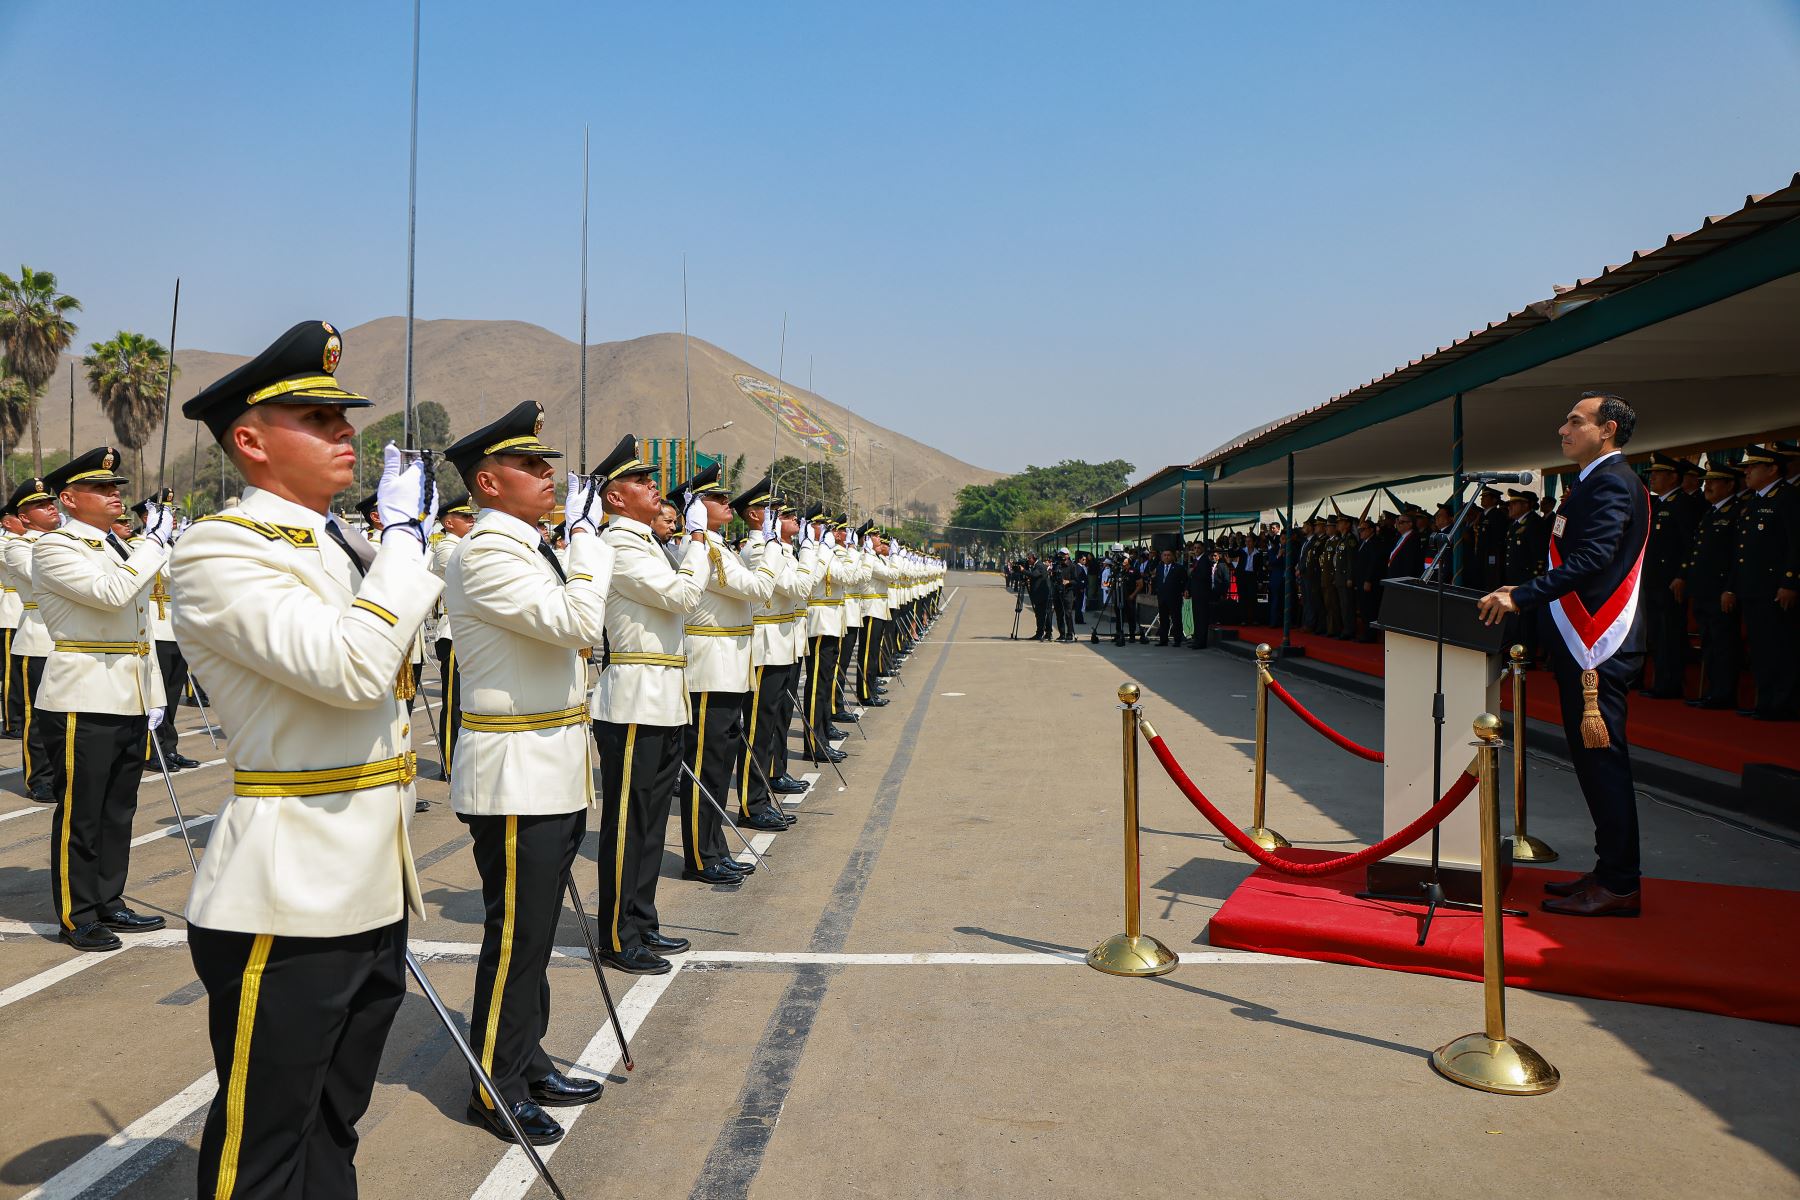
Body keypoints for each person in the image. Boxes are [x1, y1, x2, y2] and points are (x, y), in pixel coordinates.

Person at [172, 319, 442, 1196]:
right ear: (250, 442)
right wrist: (402, 546)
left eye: (343, 419)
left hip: (368, 881)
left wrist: (390, 550)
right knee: (263, 1149)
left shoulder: (338, 544)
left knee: (333, 1127)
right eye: (316, 419)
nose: (344, 433)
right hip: (286, 895)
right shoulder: (222, 550)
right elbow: (348, 668)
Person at [442, 400, 611, 1145]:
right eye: (530, 466)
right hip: (514, 774)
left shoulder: (529, 546)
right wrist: (594, 552)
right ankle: (495, 1084)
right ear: (488, 480)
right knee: (514, 938)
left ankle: (527, 1056)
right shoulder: (486, 552)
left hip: (548, 767)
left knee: (535, 936)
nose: (550, 476)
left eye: (548, 464)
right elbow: (577, 624)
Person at [1479, 391, 1648, 917]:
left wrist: (1521, 595)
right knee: (1593, 766)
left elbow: (1596, 557)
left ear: (1609, 430)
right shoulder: (1594, 481)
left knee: (1605, 765)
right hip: (1582, 642)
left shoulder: (1614, 483)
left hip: (1600, 644)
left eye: (1576, 421)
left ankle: (1620, 884)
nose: (1563, 430)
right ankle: (1607, 870)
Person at [32, 447, 172, 951]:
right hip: (83, 691)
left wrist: (153, 694)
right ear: (69, 499)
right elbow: (112, 594)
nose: (116, 495)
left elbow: (142, 625)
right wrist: (153, 547)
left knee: (118, 808)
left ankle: (109, 898)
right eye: (102, 489)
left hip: (128, 691)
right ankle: (78, 912)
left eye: (116, 487)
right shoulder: (54, 547)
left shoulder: (117, 545)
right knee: (82, 810)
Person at [590, 433, 710, 974]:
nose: (653, 487)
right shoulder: (619, 546)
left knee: (653, 818)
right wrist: (701, 546)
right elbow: (683, 596)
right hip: (635, 701)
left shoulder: (649, 545)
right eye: (640, 481)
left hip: (663, 697)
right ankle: (618, 931)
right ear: (615, 498)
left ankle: (641, 917)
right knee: (628, 821)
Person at [673, 462, 779, 886]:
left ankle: (713, 848)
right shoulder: (703, 549)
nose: (725, 503)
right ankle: (700, 855)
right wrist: (771, 545)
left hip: (728, 668)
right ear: (695, 507)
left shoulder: (719, 547)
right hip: (710, 669)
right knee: (706, 762)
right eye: (715, 498)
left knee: (718, 765)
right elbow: (759, 589)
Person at [736, 481, 818, 824]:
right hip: (766, 647)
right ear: (756, 516)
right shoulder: (758, 551)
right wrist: (811, 550)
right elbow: (801, 586)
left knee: (774, 721)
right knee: (758, 728)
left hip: (782, 643)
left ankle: (768, 783)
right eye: (780, 513)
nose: (791, 518)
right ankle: (751, 803)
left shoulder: (779, 551)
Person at [1722, 443, 1799, 720]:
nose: (1748, 472)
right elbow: (1740, 551)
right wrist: (1732, 586)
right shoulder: (1753, 502)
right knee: (1761, 648)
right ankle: (1765, 701)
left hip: (1776, 589)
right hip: (1751, 588)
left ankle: (1783, 705)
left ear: (1773, 469)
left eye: (1754, 466)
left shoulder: (1788, 498)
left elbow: (1795, 544)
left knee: (1780, 647)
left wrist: (1790, 582)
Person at [129, 495, 203, 773]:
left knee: (171, 695)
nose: (171, 519)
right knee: (156, 695)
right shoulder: (140, 545)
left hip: (174, 626)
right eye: (166, 514)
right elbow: (174, 573)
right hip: (154, 626)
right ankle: (151, 750)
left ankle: (168, 748)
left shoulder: (171, 545)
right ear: (148, 518)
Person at [2, 478, 59, 800]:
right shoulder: (19, 545)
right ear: (23, 517)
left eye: (50, 502)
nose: (50, 507)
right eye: (39, 505)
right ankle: (39, 777)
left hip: (74, 640)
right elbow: (44, 576)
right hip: (38, 637)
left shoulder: (69, 540)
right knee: (36, 718)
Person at [1673, 458, 1743, 709]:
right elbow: (1696, 551)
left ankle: (1723, 694)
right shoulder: (1711, 513)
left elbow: (1737, 556)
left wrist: (1731, 588)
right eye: (1706, 482)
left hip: (1721, 590)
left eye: (1713, 482)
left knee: (1723, 645)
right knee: (1710, 644)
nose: (1707, 487)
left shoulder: (1736, 512)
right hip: (1703, 590)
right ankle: (1713, 691)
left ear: (1730, 485)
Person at [1641, 452, 1700, 699]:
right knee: (1656, 634)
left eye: (1657, 474)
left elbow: (1691, 544)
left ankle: (1669, 684)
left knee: (1669, 634)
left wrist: (1682, 574)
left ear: (1673, 477)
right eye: (1651, 474)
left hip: (1670, 581)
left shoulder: (1682, 504)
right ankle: (1660, 680)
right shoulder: (1659, 504)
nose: (1652, 478)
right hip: (1653, 580)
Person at [426, 497, 475, 782]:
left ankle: (463, 759)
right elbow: (468, 574)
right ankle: (451, 761)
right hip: (453, 633)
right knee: (454, 702)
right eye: (465, 518)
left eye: (472, 517)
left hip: (467, 632)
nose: (472, 522)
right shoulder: (447, 549)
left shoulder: (465, 545)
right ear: (448, 522)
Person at [1150, 547, 1185, 647]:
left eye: (1168, 555)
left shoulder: (1179, 568)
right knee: (1164, 619)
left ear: (1173, 556)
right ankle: (1163, 640)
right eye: (1164, 555)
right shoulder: (1160, 567)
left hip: (1174, 597)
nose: (1166, 557)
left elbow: (1183, 581)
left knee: (1176, 619)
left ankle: (1177, 640)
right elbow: (1157, 579)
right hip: (1162, 597)